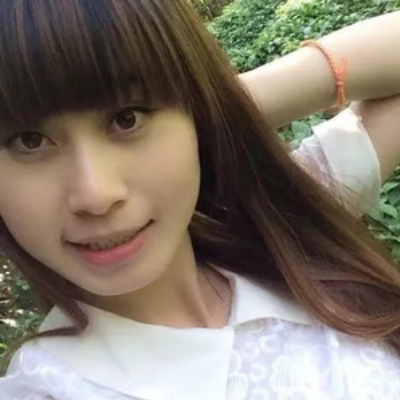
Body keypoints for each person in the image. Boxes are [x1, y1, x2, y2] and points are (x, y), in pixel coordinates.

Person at [0, 1, 400, 399]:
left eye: (128, 117)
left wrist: (217, 113)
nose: (96, 195)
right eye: (29, 140)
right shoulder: (48, 388)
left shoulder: (282, 234)